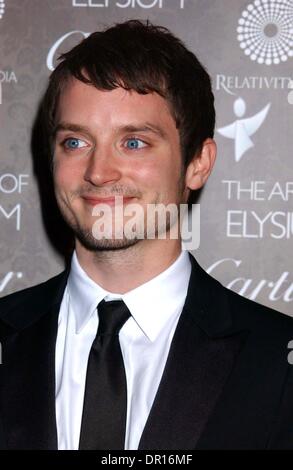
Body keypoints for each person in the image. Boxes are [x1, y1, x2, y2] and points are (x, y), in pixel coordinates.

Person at [0, 20, 293, 451]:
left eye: (134, 142)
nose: (99, 172)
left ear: (198, 162)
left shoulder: (277, 362)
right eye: (75, 142)